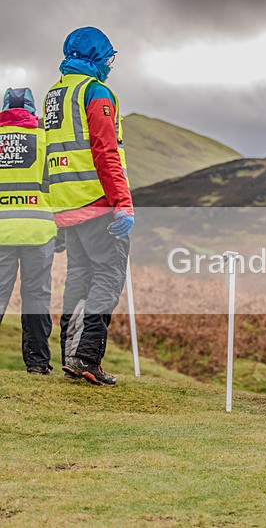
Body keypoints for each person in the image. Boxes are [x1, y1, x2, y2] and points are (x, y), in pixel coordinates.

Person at [44, 27, 134, 386]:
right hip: (98, 201)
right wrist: (123, 202)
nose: (111, 64)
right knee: (108, 278)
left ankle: (70, 354)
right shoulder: (95, 91)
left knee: (79, 278)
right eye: (108, 57)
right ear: (97, 55)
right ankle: (86, 356)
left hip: (67, 204)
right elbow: (104, 150)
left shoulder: (56, 94)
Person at [0, 88, 58, 374]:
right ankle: (37, 363)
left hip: (1, 232)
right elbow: (57, 187)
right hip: (39, 230)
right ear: (34, 111)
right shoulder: (44, 139)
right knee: (36, 296)